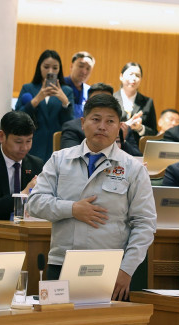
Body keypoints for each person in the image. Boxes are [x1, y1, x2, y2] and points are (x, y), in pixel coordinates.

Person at [27, 94, 156, 301]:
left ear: (119, 127)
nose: (102, 126)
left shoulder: (133, 168)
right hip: (61, 263)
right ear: (82, 122)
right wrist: (72, 209)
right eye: (95, 119)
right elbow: (34, 203)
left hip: (109, 269)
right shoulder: (60, 159)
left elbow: (145, 224)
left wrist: (126, 270)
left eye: (110, 121)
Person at [15, 49, 74, 162]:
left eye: (55, 68)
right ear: (39, 67)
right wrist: (37, 99)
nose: (50, 71)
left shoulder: (66, 91)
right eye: (46, 67)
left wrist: (65, 102)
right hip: (33, 145)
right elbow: (18, 117)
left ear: (59, 69)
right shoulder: (28, 88)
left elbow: (69, 123)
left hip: (56, 147)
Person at [61, 83, 141, 156]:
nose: (102, 127)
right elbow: (70, 157)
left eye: (107, 100)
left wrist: (122, 141)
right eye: (96, 119)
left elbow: (138, 158)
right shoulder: (72, 127)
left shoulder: (122, 128)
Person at [113, 62, 158, 140]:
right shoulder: (111, 99)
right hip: (114, 145)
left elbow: (154, 132)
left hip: (136, 149)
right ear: (121, 76)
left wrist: (140, 128)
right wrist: (125, 125)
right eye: (130, 74)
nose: (134, 78)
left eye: (137, 75)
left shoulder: (148, 102)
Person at [65, 51, 95, 118]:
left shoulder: (90, 91)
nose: (84, 71)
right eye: (81, 66)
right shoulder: (60, 86)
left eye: (88, 68)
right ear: (71, 66)